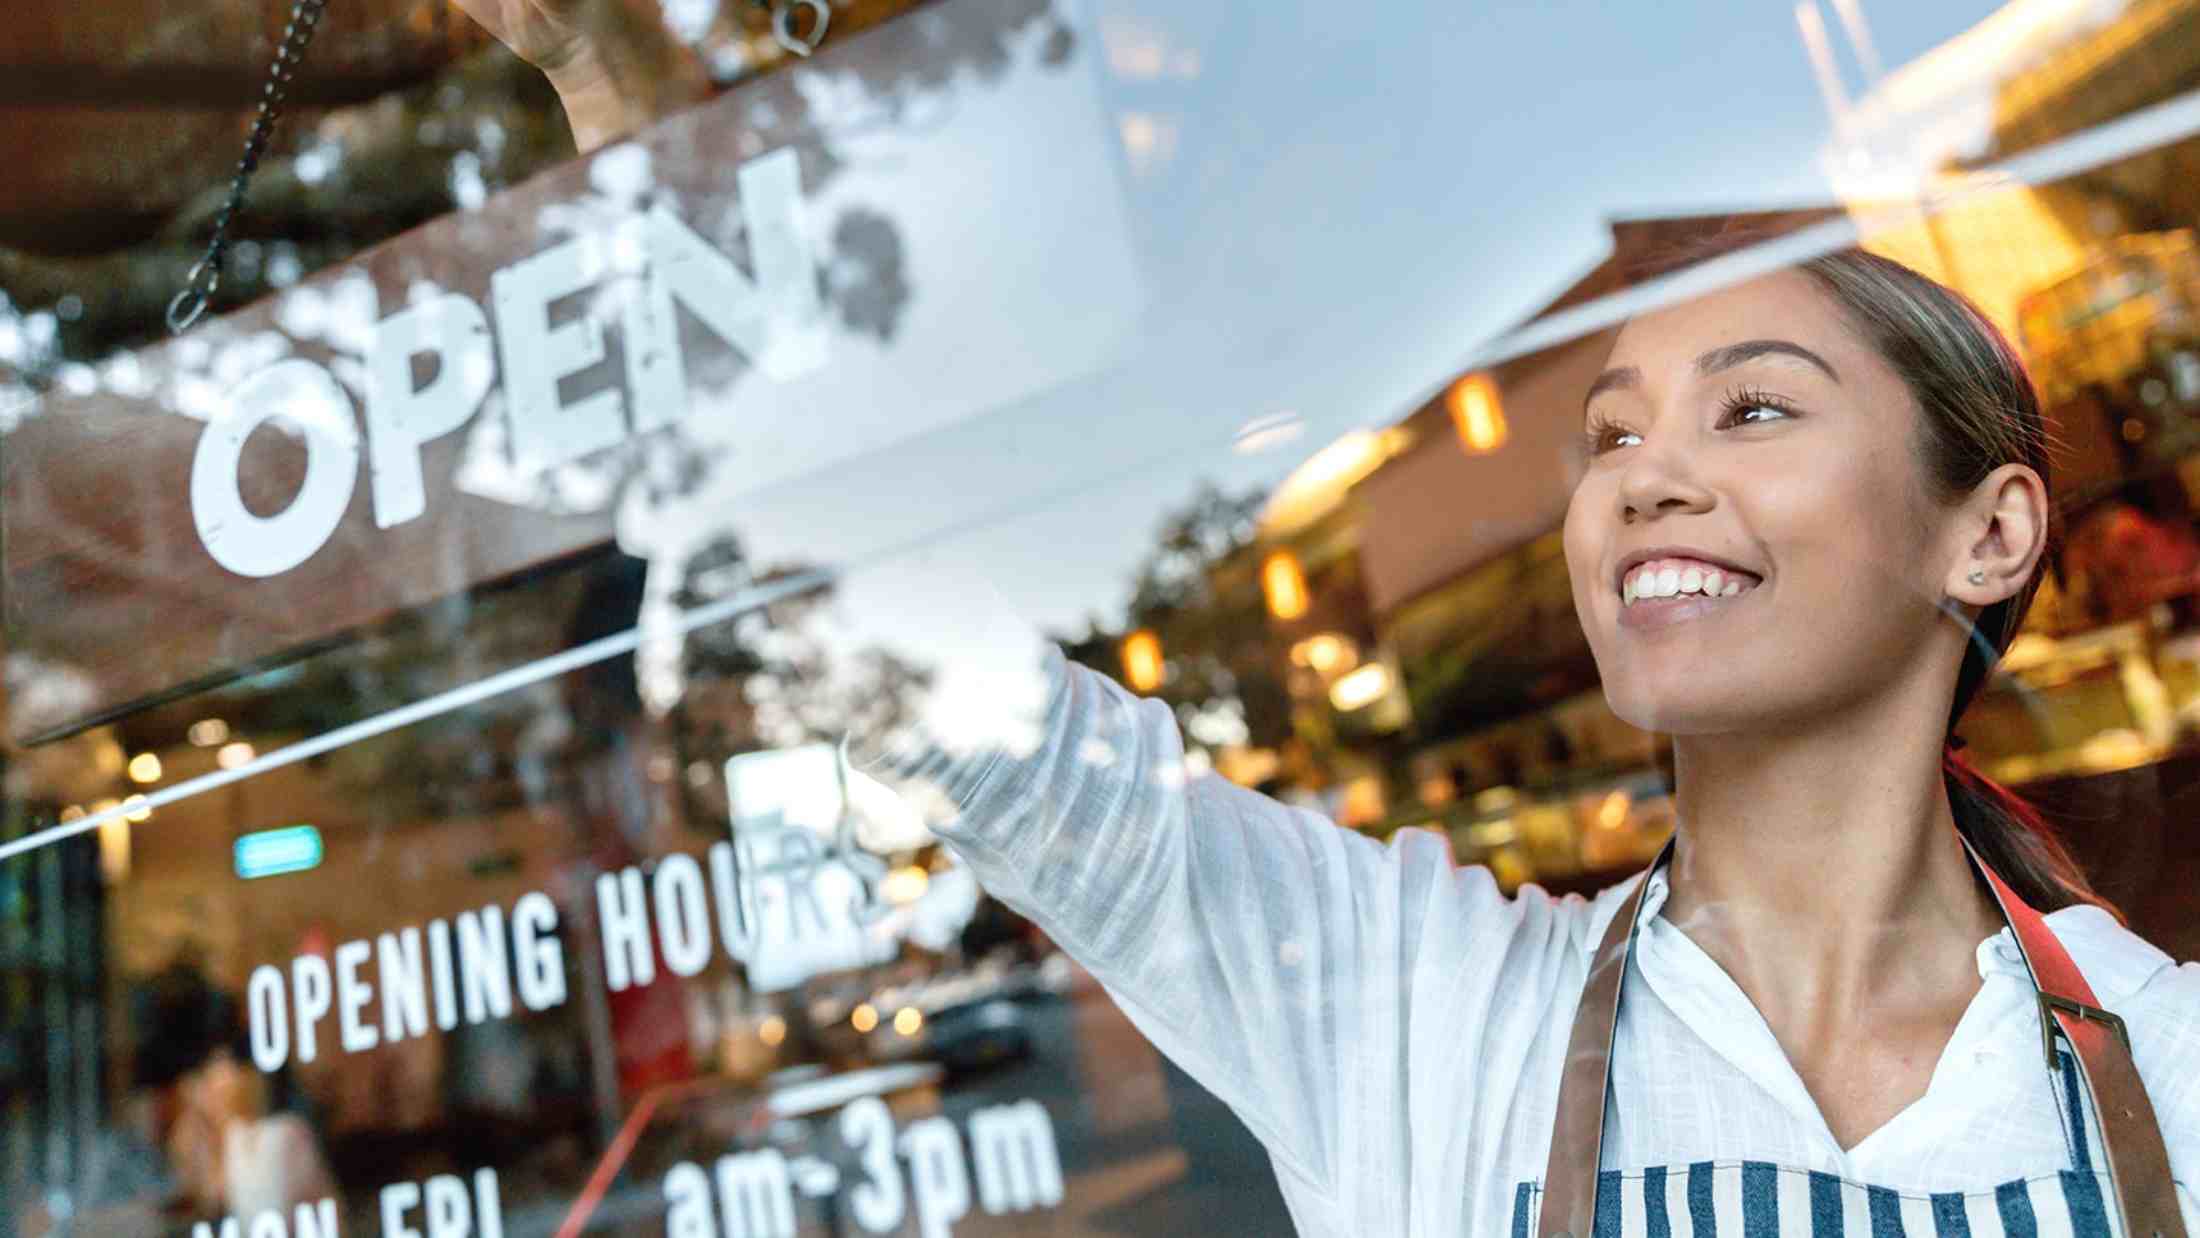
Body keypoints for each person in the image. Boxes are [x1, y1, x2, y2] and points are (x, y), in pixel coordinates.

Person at [460, 9, 2200, 1233]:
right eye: (1608, 432)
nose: (1642, 477)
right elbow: (886, 633)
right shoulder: (1425, 1014)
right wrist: (620, 78)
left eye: (1752, 409)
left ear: (1988, 532)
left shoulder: (2182, 1075)